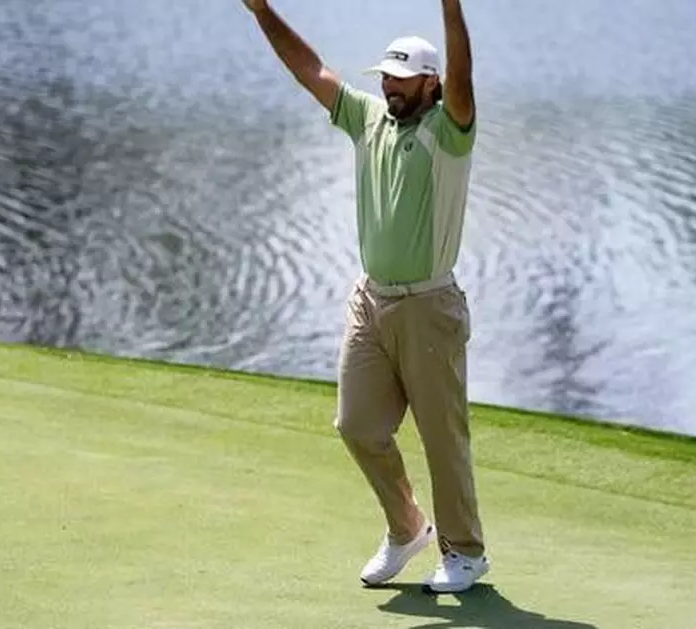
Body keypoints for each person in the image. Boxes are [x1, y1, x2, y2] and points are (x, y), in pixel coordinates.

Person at [241, 0, 489, 593]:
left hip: (429, 306)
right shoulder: (368, 118)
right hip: (370, 302)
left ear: (429, 83)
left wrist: (450, 6)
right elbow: (310, 70)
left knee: (441, 439)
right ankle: (407, 527)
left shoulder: (449, 131)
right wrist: (261, 11)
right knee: (356, 425)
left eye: (401, 79)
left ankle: (465, 552)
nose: (390, 87)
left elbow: (464, 80)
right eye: (386, 77)